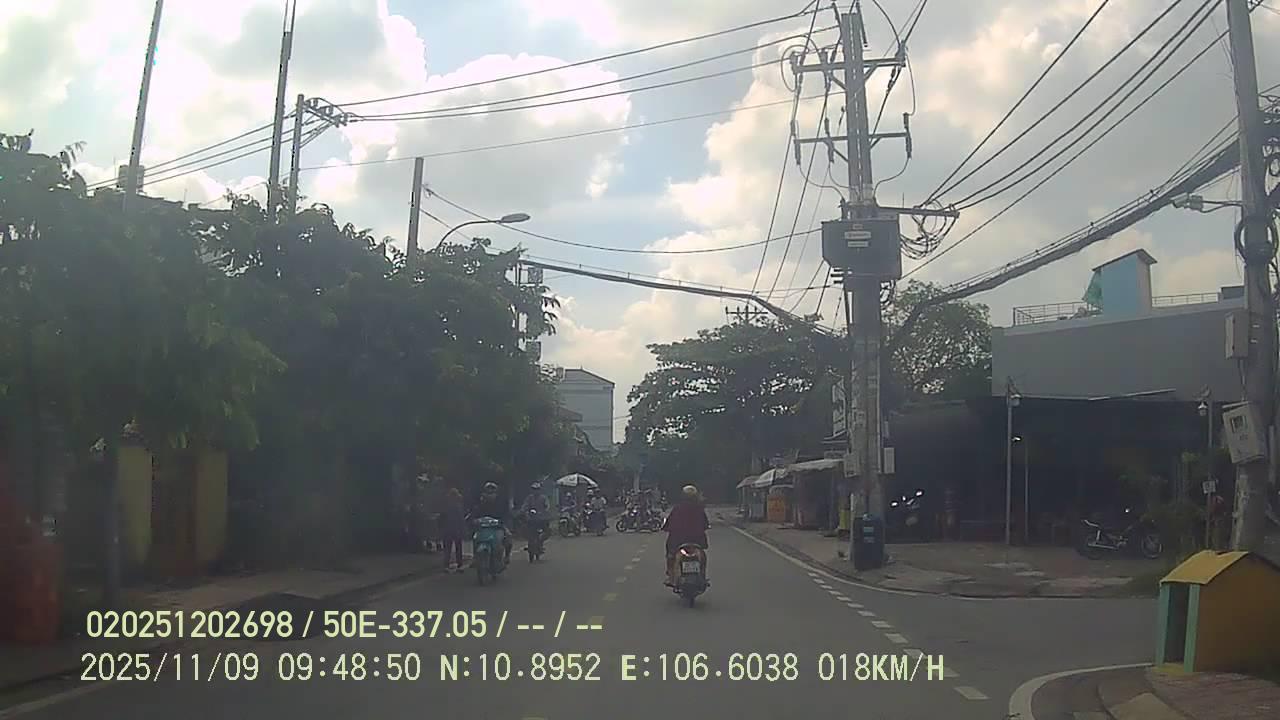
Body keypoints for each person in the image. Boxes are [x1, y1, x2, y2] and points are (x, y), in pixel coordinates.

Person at [663, 484, 710, 586]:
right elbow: (706, 524)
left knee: (671, 555)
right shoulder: (699, 509)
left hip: (678, 540)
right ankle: (702, 577)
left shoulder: (677, 508)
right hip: (696, 540)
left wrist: (667, 528)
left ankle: (671, 577)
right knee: (702, 556)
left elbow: (669, 524)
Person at [470, 482, 513, 564]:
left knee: (508, 536)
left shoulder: (501, 503)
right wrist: (474, 520)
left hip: (497, 527)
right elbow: (474, 513)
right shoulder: (480, 503)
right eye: (488, 492)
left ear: (496, 493)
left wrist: (503, 521)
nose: (490, 494)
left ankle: (507, 556)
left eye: (492, 492)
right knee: (475, 538)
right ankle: (475, 557)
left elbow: (506, 514)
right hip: (483, 527)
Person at [440, 487, 467, 573]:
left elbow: (441, 518)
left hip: (447, 529)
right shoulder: (458, 506)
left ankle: (446, 566)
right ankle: (460, 565)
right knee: (458, 548)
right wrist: (463, 530)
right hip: (456, 529)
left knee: (447, 549)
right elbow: (461, 519)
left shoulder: (445, 506)